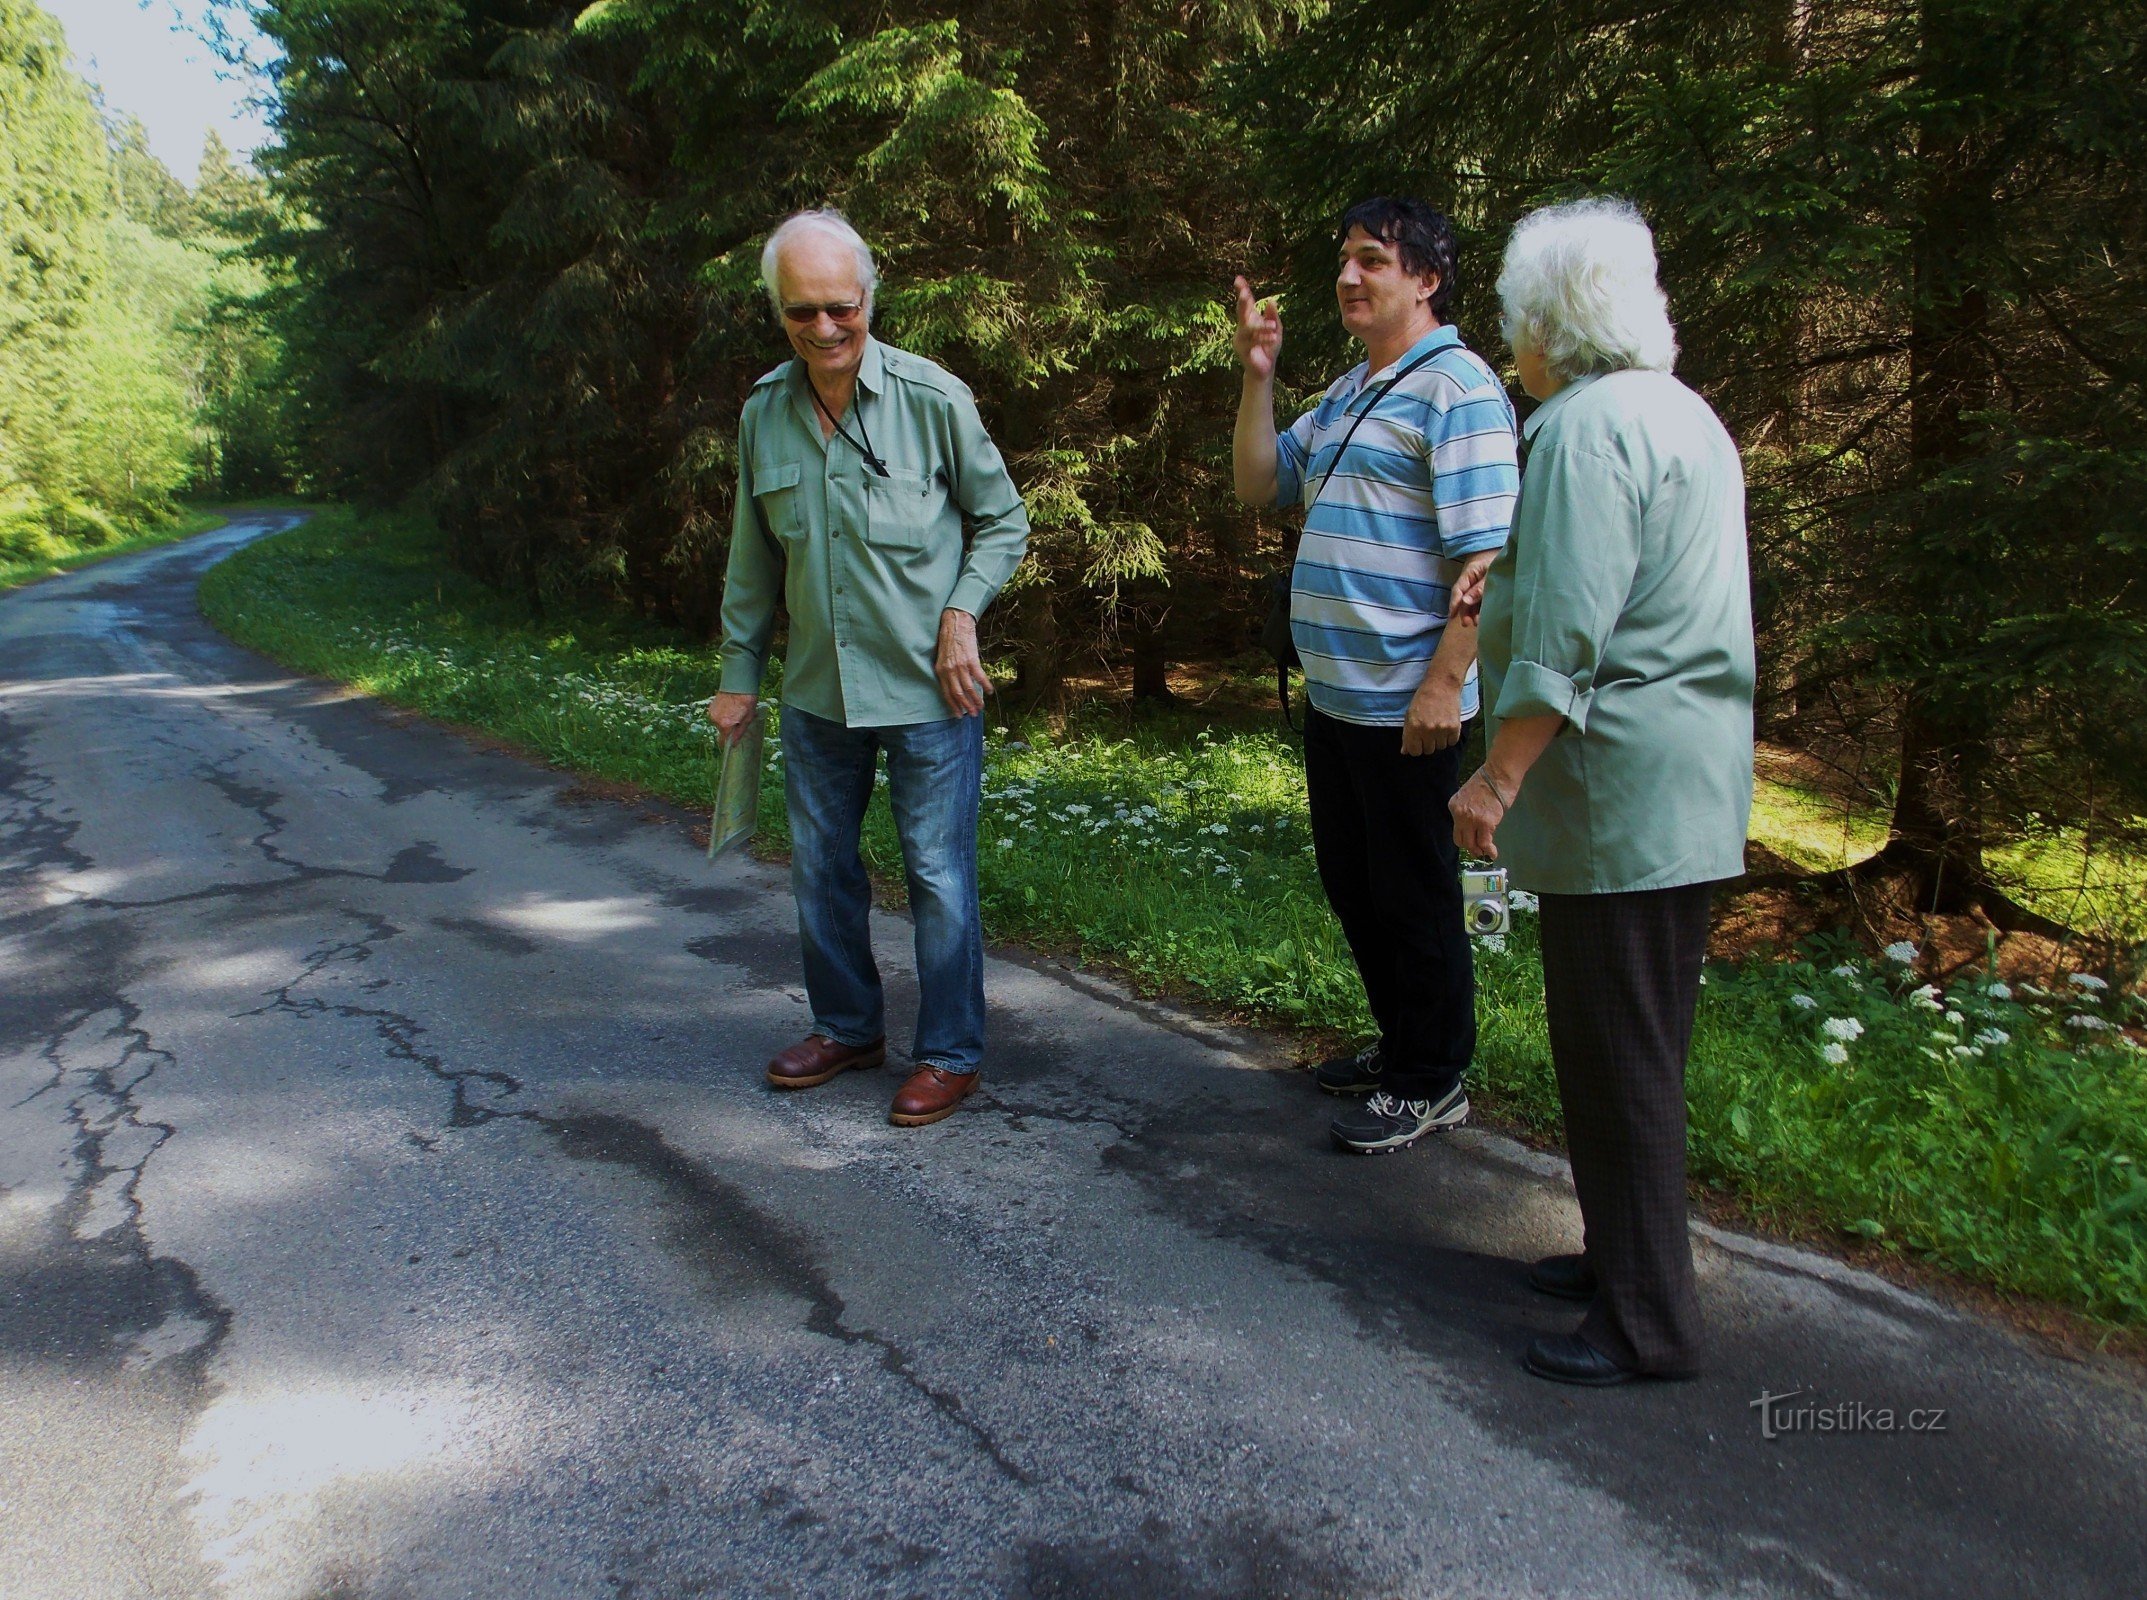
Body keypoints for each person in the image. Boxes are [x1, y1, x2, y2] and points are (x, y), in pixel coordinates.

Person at [1450, 198, 1755, 1385]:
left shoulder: (1578, 428)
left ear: (1546, 326)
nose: (1509, 341)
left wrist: (1496, 775)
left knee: (1616, 1054)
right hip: (1677, 786)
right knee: (1632, 1045)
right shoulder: (1680, 413)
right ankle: (1620, 1258)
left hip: (1615, 794)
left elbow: (1567, 634)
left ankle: (1646, 1322)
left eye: (1513, 320)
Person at [709, 210, 1030, 1127]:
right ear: (778, 311)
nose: (823, 329)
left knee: (936, 874)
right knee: (820, 870)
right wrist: (739, 672)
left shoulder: (932, 399)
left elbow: (1003, 521)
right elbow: (751, 558)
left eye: (838, 308)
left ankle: (950, 1054)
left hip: (931, 692)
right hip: (816, 689)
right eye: (800, 312)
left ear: (869, 300)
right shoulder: (762, 412)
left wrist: (962, 614)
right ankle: (847, 1027)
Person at [1231, 198, 1520, 1154]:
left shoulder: (1459, 390)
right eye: (1343, 262)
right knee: (1359, 886)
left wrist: (1445, 682)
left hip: (1410, 705)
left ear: (1426, 279)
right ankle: (1404, 1044)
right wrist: (1259, 378)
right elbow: (1260, 485)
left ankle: (1433, 1078)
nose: (1349, 278)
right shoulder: (1353, 392)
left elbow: (1485, 558)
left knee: (1415, 892)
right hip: (1339, 696)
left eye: (1372, 261)